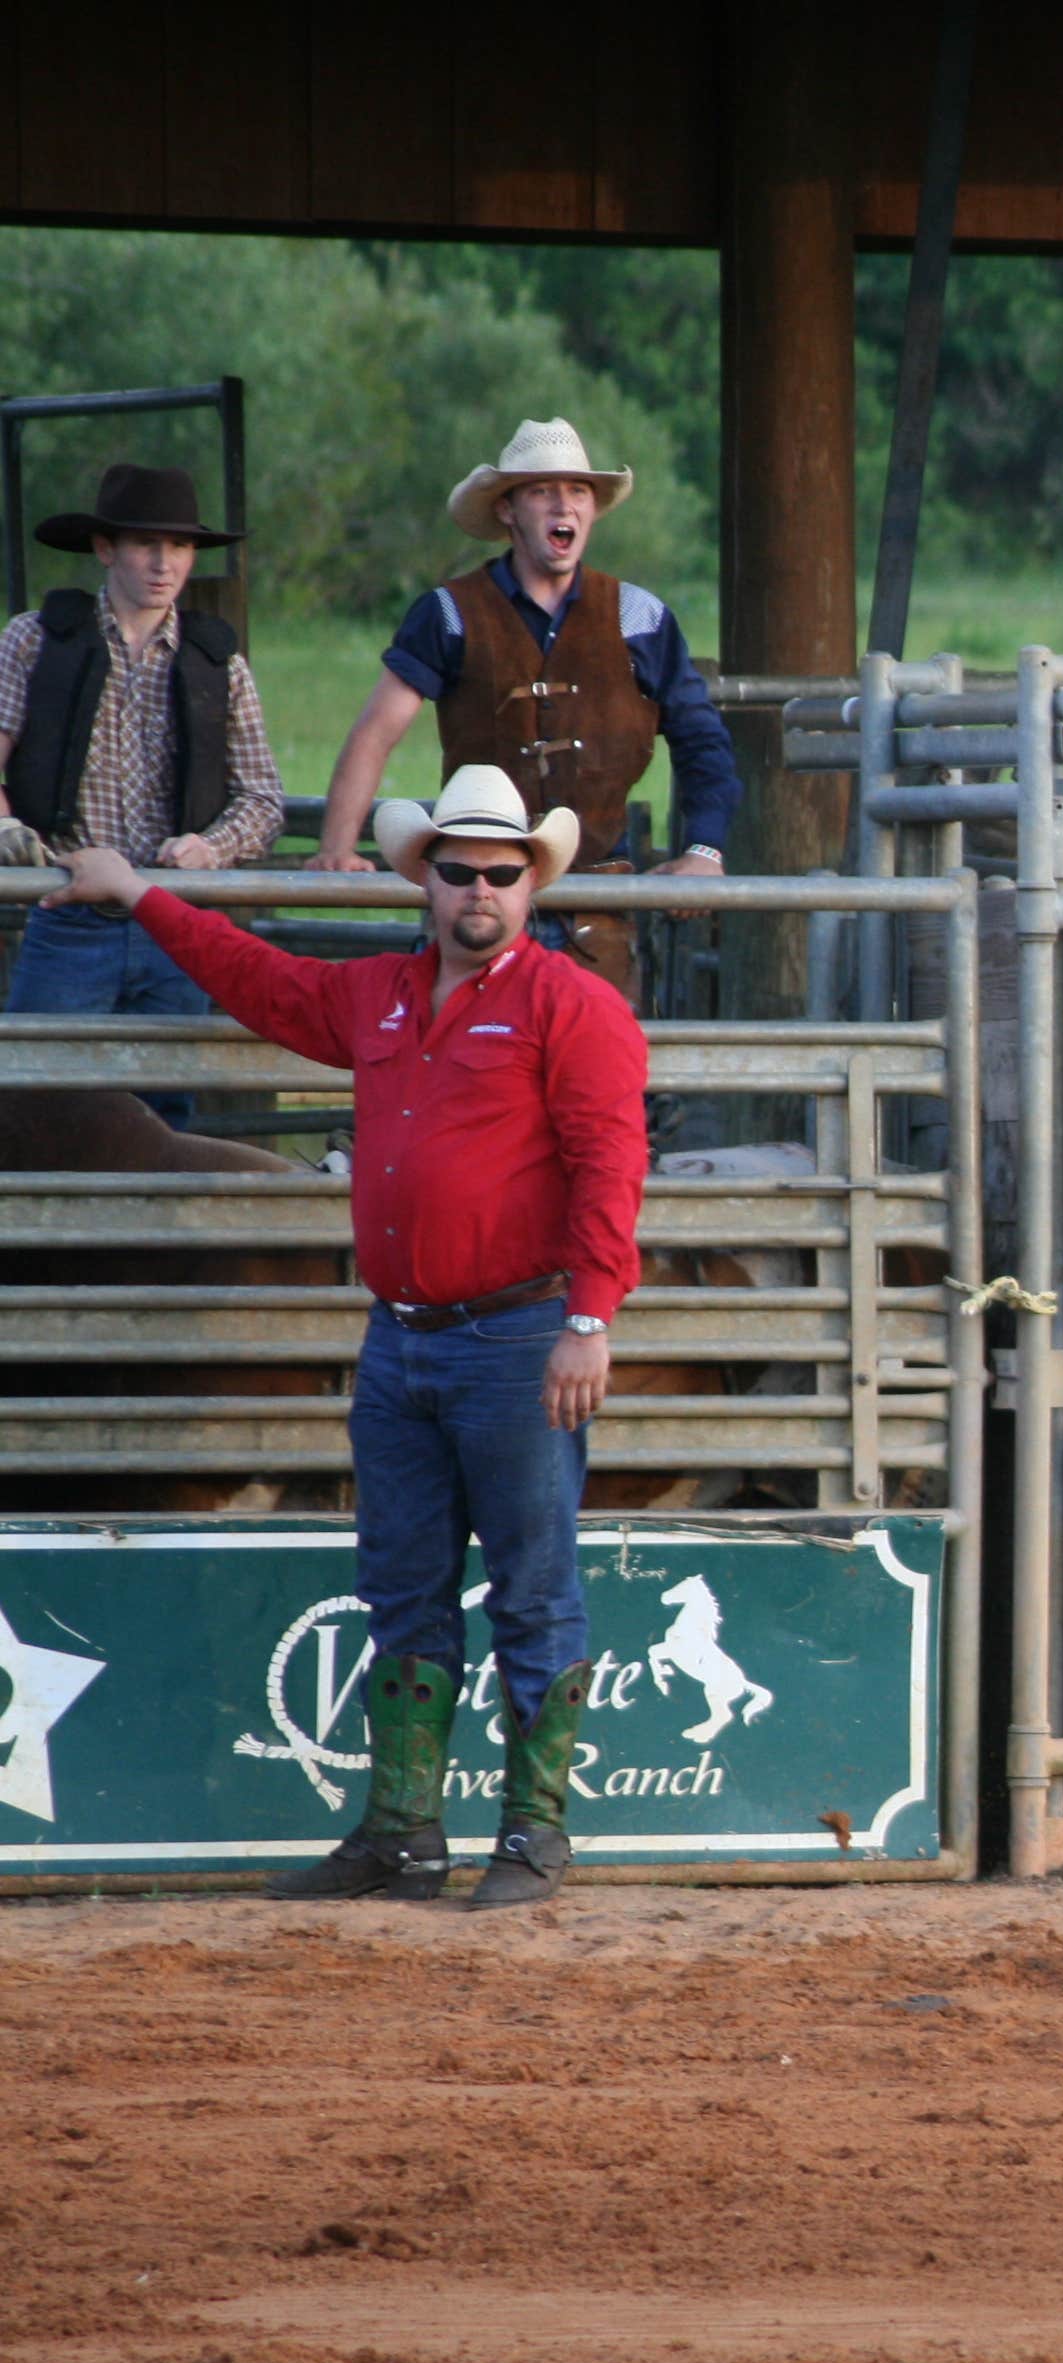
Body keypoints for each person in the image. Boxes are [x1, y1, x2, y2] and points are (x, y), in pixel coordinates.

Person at [58, 764, 648, 1905]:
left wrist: (590, 1316)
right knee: (404, 1582)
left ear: (531, 884)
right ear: (426, 879)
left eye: (501, 872)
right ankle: (404, 1834)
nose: (480, 889)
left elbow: (610, 1165)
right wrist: (140, 895)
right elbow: (261, 980)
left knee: (532, 1584)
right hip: (407, 1337)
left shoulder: (573, 1007)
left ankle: (533, 1836)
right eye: (461, 870)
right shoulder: (380, 995)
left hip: (519, 1333)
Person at [311, 419, 738, 1004]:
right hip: (473, 895)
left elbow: (701, 740)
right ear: (508, 510)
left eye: (579, 491)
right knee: (462, 1073)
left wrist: (703, 852)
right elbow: (376, 733)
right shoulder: (449, 613)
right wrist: (337, 847)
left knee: (591, 1082)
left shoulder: (638, 617)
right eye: (542, 491)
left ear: (592, 509)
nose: (564, 504)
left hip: (596, 902)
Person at [0, 463, 285, 1127]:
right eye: (146, 545)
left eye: (180, 546)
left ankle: (141, 1232)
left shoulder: (218, 663)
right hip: (67, 910)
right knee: (32, 1107)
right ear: (106, 550)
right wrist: (5, 827)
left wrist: (208, 848)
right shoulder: (35, 638)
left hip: (172, 918)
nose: (165, 563)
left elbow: (263, 799)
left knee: (161, 1116)